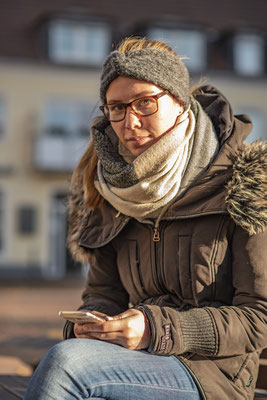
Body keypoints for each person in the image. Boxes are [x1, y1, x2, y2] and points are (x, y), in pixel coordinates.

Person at [24, 36, 267, 400]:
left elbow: (258, 318)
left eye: (145, 103)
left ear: (180, 102)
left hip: (211, 376)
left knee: (67, 367)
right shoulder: (111, 190)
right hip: (134, 358)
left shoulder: (243, 183)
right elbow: (104, 294)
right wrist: (93, 324)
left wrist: (156, 329)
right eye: (116, 108)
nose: (129, 121)